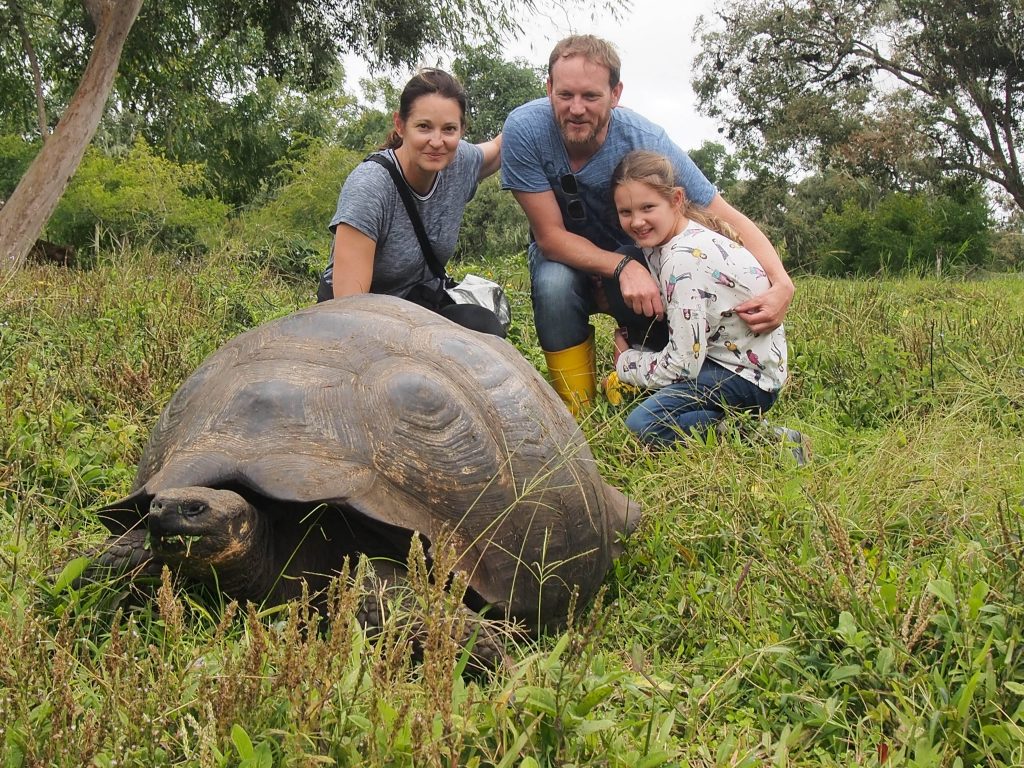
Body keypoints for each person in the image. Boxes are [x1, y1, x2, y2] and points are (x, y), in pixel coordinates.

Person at [500, 35, 795, 412]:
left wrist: (782, 282)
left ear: (615, 93)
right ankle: (577, 412)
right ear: (549, 89)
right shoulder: (525, 130)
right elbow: (551, 238)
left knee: (662, 276)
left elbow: (725, 215)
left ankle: (647, 378)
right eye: (565, 95)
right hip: (576, 259)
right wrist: (623, 267)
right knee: (553, 281)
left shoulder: (646, 141)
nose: (576, 109)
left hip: (646, 260)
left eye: (591, 96)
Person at [607, 150, 786, 446]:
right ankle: (726, 423)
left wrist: (626, 363)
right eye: (626, 212)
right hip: (734, 363)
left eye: (648, 207)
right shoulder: (674, 239)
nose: (637, 222)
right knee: (661, 402)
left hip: (746, 378)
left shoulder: (682, 260)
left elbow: (682, 365)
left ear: (676, 200)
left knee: (643, 425)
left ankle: (764, 439)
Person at [317, 68, 505, 336]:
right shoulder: (370, 187)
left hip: (418, 308)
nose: (437, 141)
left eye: (449, 129)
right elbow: (349, 309)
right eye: (424, 127)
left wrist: (560, 102)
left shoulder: (458, 162)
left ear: (462, 130)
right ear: (400, 124)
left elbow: (499, 149)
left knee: (483, 326)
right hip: (359, 319)